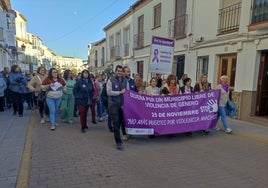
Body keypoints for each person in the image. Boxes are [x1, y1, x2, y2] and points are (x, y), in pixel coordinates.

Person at [107, 65, 127, 150]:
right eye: (118, 71)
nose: (120, 72)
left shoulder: (125, 80)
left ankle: (116, 134)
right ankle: (118, 142)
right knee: (116, 122)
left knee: (120, 122)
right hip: (113, 104)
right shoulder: (110, 80)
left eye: (121, 71)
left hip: (122, 105)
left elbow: (127, 92)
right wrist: (119, 92)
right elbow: (109, 92)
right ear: (115, 71)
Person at [122, 66, 138, 140]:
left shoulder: (132, 81)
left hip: (131, 103)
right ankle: (124, 133)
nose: (129, 73)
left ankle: (130, 132)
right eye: (127, 71)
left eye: (129, 71)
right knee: (124, 118)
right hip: (123, 103)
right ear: (123, 72)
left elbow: (135, 91)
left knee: (130, 118)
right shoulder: (121, 81)